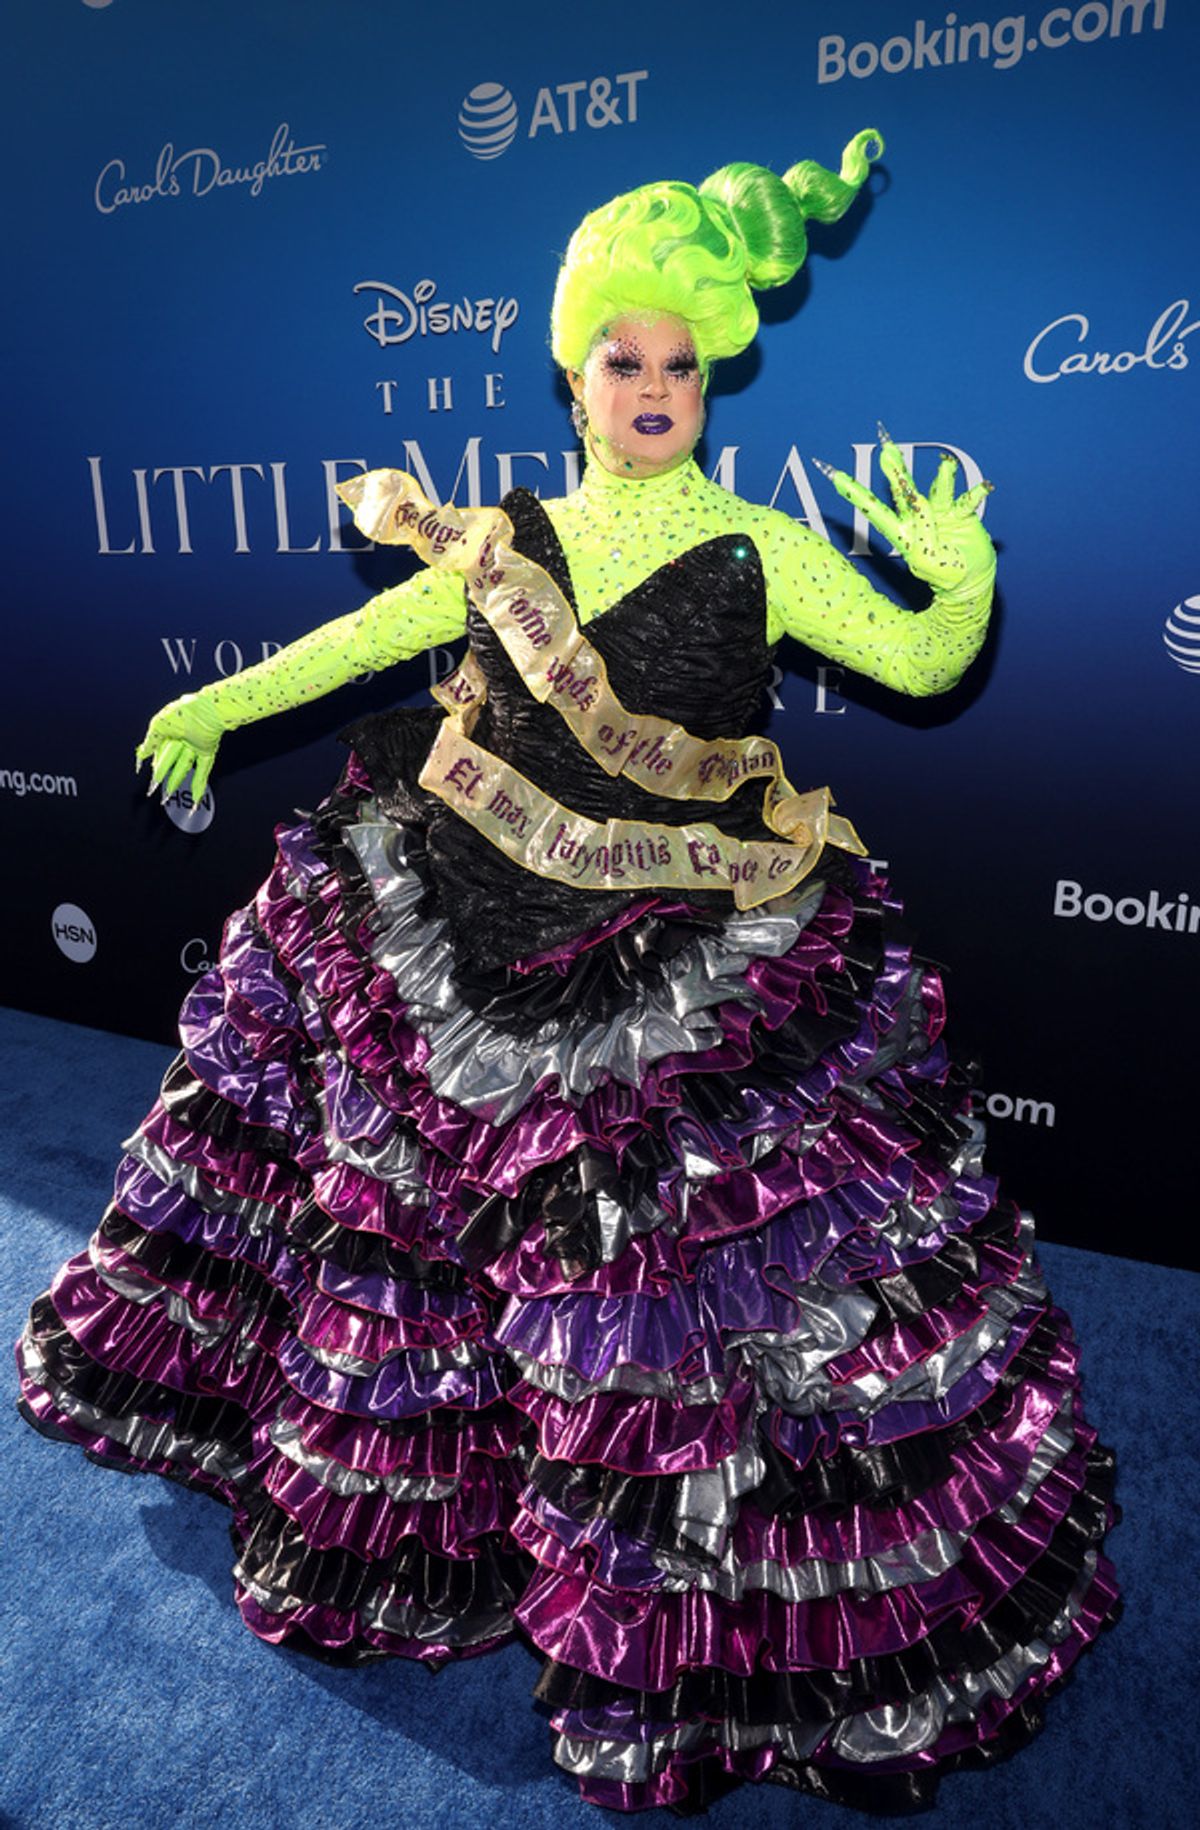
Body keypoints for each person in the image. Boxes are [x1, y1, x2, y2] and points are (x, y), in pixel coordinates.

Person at [17, 130, 1119, 1813]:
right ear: (573, 366)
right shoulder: (503, 534)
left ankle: (691, 1601)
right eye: (625, 355)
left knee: (673, 1306)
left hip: (674, 970)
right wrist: (219, 701)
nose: (654, 383)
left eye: (683, 360)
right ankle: (442, 1509)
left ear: (713, 376)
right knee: (404, 1236)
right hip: (455, 925)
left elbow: (915, 654)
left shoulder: (763, 547)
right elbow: (368, 642)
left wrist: (955, 578)